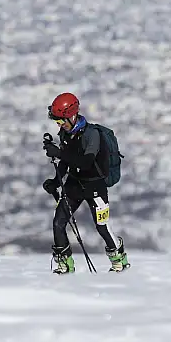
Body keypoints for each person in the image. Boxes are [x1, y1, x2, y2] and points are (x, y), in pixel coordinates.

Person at [42, 92, 130, 274]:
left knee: (102, 226)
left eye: (62, 121)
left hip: (95, 186)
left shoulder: (92, 136)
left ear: (73, 115)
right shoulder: (66, 134)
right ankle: (65, 265)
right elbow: (67, 162)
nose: (60, 125)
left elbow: (85, 162)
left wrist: (58, 153)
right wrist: (56, 181)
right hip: (74, 185)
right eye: (57, 122)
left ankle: (119, 260)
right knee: (58, 223)